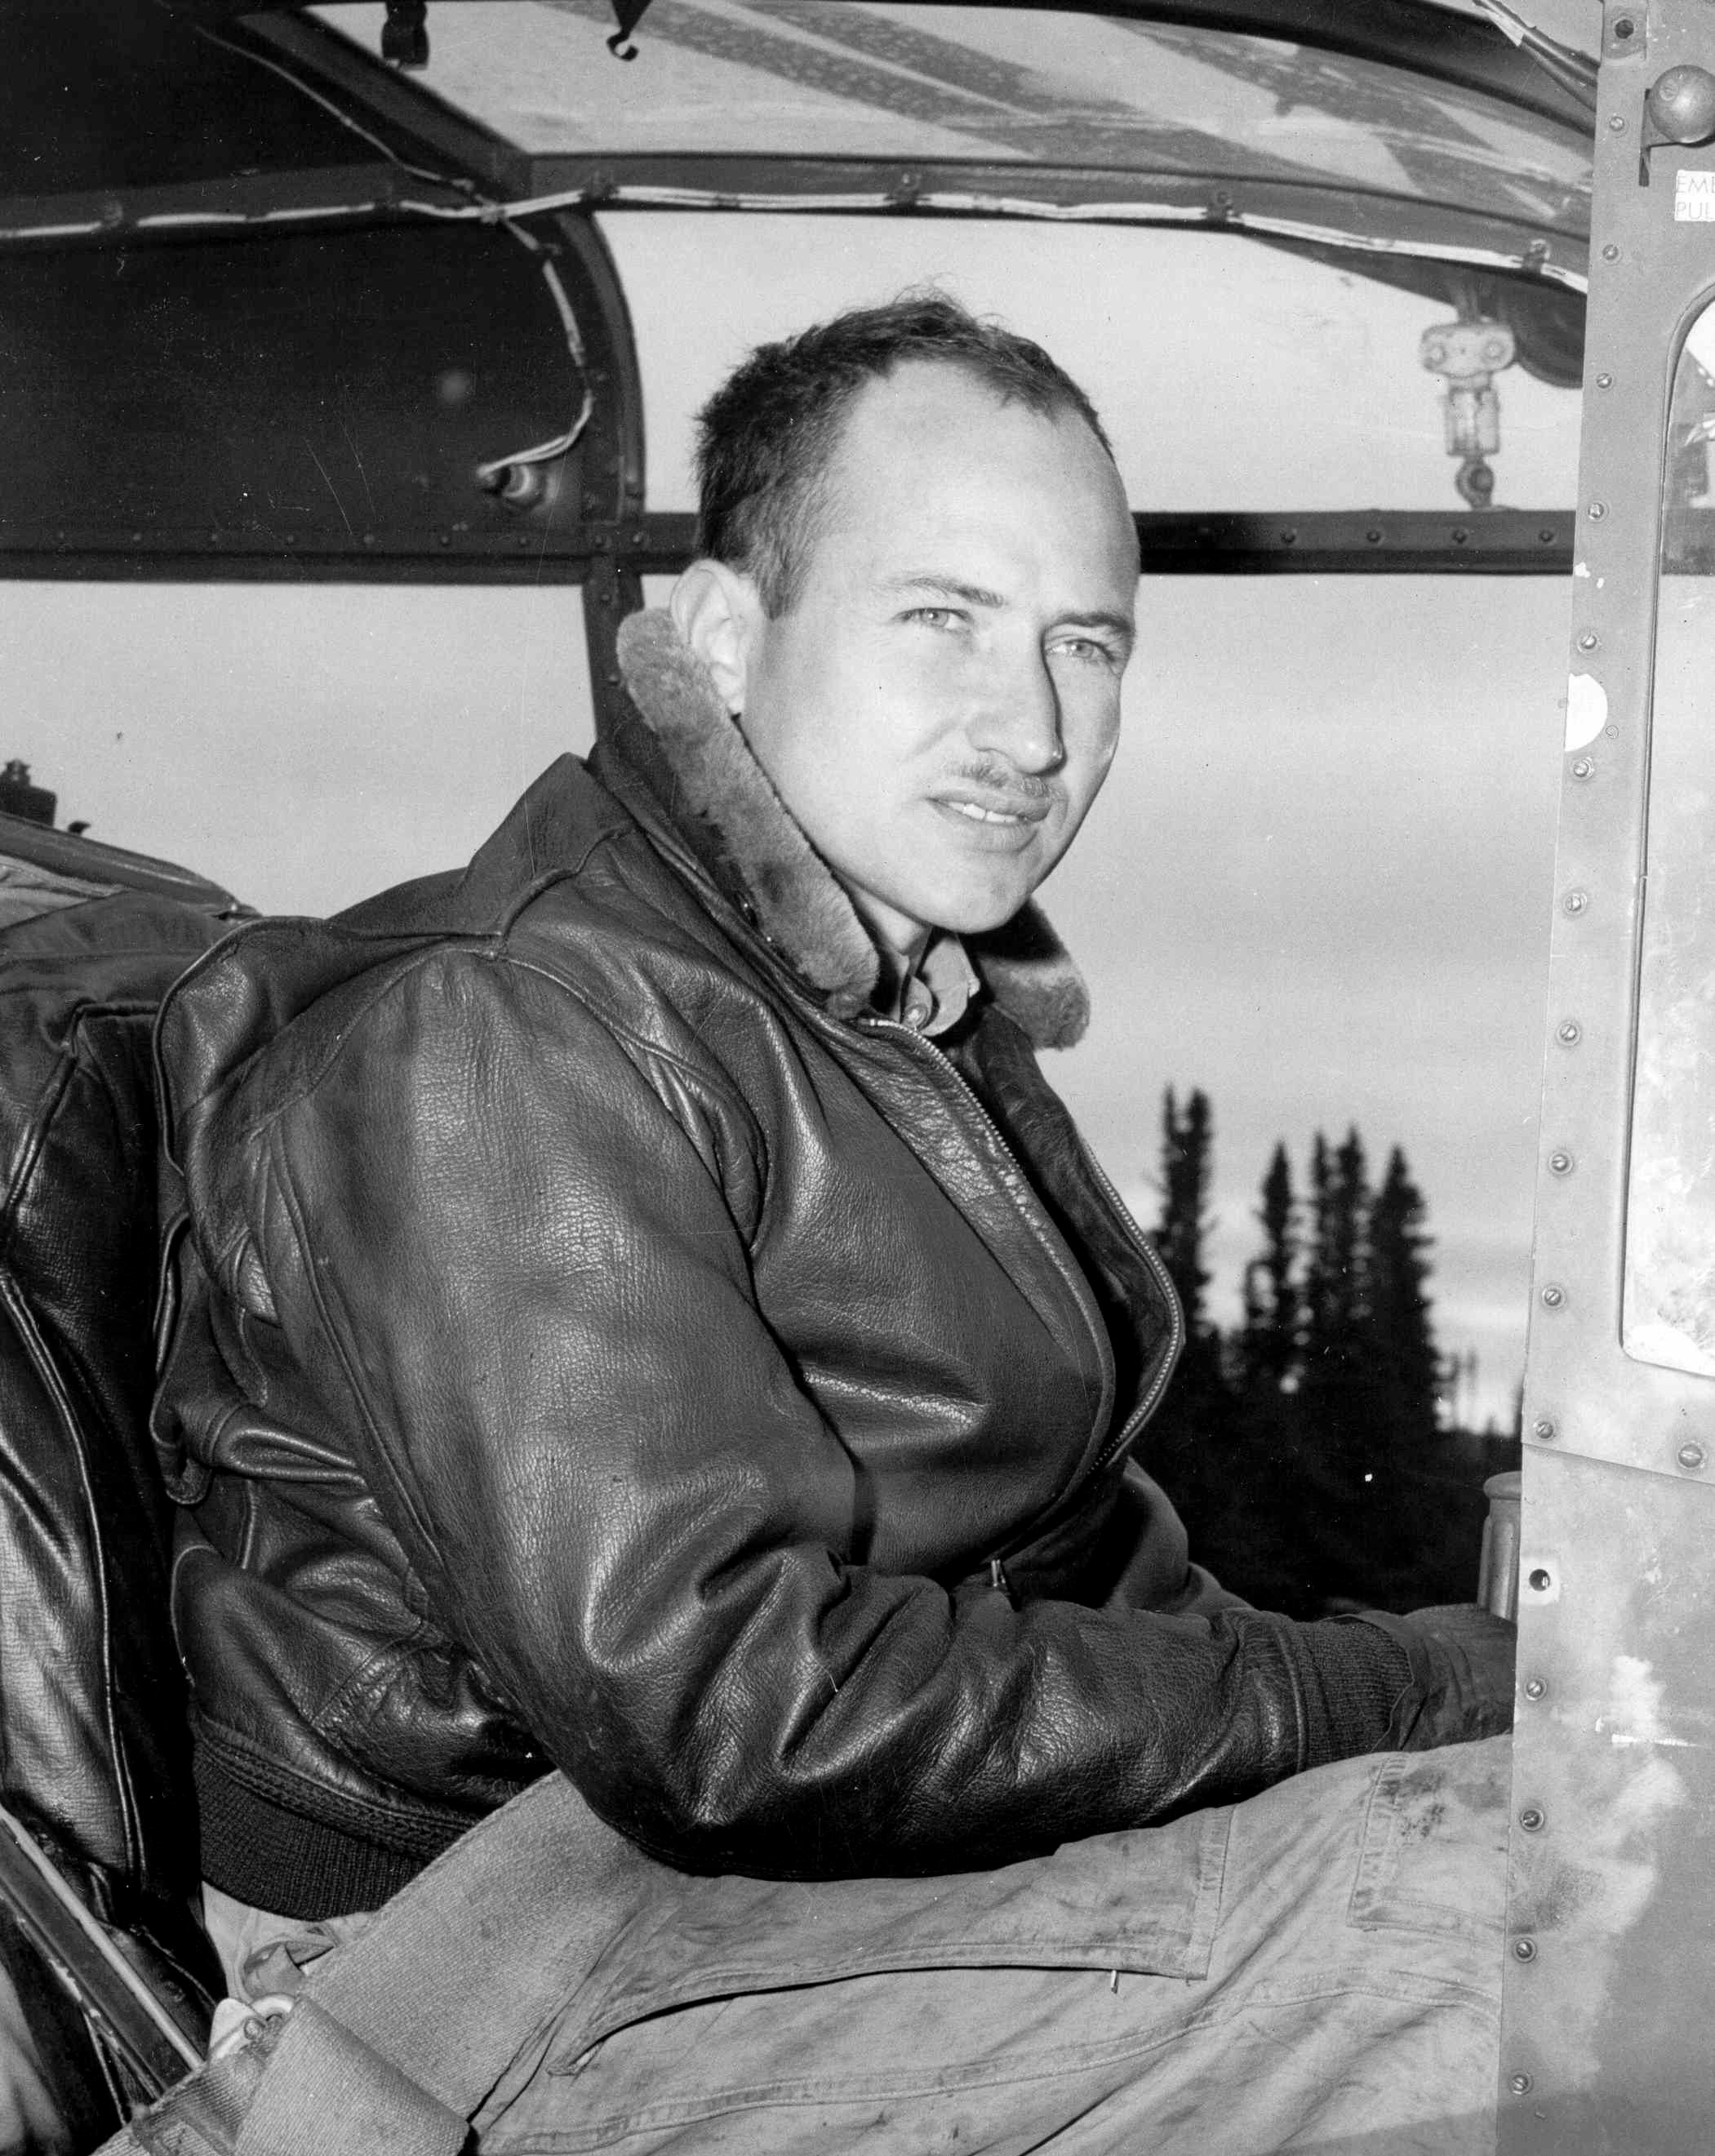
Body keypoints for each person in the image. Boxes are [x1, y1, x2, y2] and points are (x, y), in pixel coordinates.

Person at [153, 295, 1515, 2152]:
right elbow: (723, 1710)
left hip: (720, 1876)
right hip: (467, 1950)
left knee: (1559, 1835)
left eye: (1085, 645)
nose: (1030, 726)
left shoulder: (888, 991)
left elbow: (1055, 1565)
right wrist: (1392, 1686)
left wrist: (1420, 1701)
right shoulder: (512, 1028)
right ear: (722, 639)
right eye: (941, 618)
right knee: (1496, 1938)